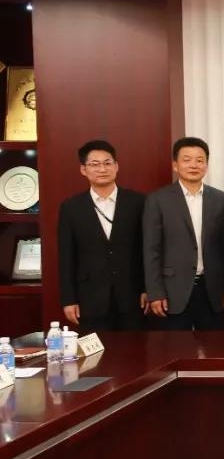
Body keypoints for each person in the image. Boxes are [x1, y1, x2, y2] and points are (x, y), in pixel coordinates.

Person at [143, 137, 224, 330]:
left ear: (206, 165)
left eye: (200, 160)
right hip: (172, 291)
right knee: (176, 346)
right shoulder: (157, 200)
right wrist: (155, 292)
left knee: (214, 346)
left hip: (212, 290)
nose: (194, 165)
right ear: (175, 165)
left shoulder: (222, 200)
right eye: (187, 160)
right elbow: (151, 250)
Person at [58, 140, 148, 332]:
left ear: (116, 166)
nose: (102, 169)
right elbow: (66, 257)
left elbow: (148, 249)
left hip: (133, 297)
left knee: (134, 349)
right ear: (83, 169)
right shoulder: (71, 207)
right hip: (90, 298)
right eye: (95, 164)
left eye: (107, 163)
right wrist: (68, 299)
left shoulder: (138, 202)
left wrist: (148, 289)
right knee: (96, 351)